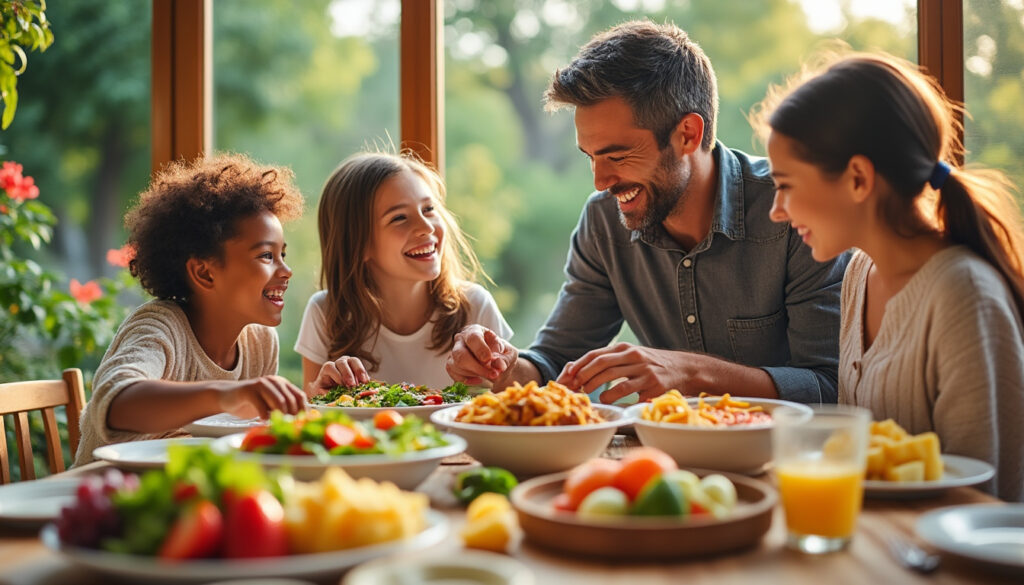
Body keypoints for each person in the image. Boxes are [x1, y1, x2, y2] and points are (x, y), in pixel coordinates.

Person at [446, 20, 847, 405]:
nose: (600, 181)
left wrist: (691, 373)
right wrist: (503, 367)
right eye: (590, 157)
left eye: (617, 155)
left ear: (688, 134)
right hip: (666, 459)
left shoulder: (795, 212)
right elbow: (552, 362)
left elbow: (831, 385)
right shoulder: (603, 223)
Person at [755, 51, 1024, 501]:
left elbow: (984, 498)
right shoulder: (860, 273)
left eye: (785, 185)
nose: (776, 211)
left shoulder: (964, 296)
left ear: (858, 178)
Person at [75, 154, 310, 465]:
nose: (286, 270)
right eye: (266, 256)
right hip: (106, 495)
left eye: (282, 254)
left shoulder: (260, 343)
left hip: (188, 496)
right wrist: (227, 395)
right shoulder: (160, 326)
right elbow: (115, 402)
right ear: (204, 273)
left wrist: (318, 400)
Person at [295, 151, 512, 392]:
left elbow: (507, 408)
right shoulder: (325, 313)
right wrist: (318, 393)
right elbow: (309, 416)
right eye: (399, 218)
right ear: (358, 244)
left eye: (429, 209)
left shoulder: (475, 307)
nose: (426, 226)